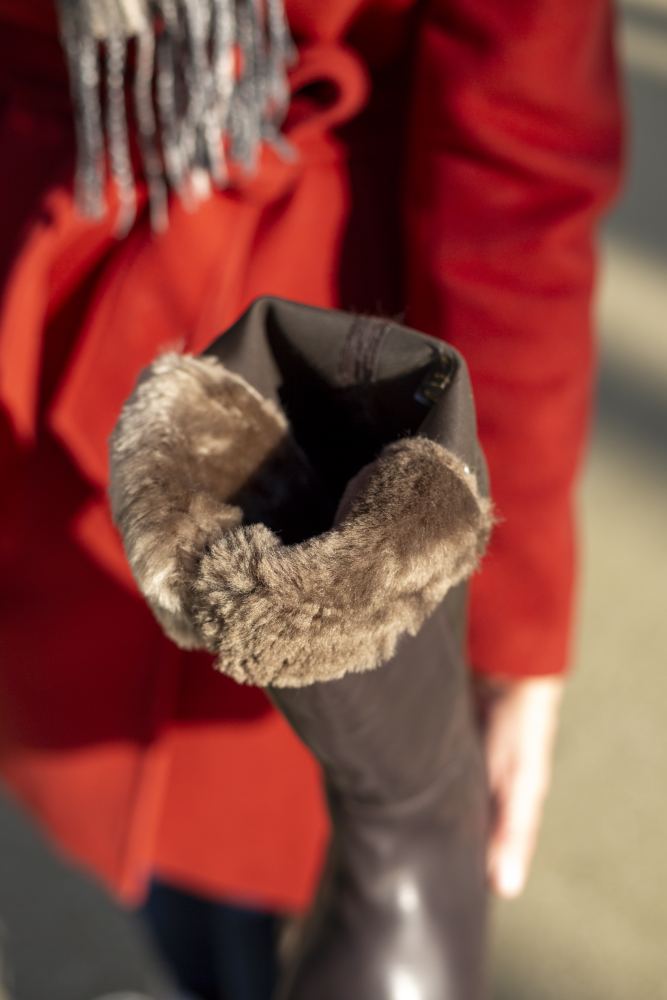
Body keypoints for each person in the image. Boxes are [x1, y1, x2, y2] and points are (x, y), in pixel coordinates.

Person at [0, 0, 623, 997]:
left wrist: (512, 620)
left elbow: (515, 165)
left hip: (334, 354)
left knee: (273, 856)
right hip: (52, 305)